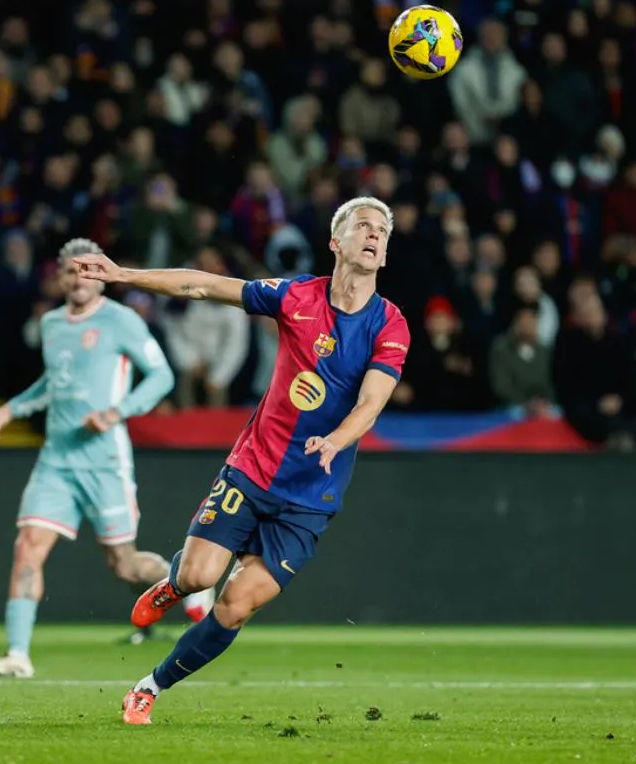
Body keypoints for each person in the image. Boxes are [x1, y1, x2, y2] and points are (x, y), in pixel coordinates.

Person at [71, 196, 410, 724]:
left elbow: (371, 402)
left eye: (382, 232)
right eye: (362, 226)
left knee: (234, 605)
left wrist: (337, 441)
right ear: (335, 241)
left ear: (384, 255)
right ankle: (174, 584)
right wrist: (124, 274)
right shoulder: (296, 295)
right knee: (199, 578)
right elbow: (203, 284)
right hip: (254, 468)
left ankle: (149, 687)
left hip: (311, 495)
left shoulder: (390, 325)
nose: (373, 235)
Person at [0, 238, 214, 678]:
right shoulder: (51, 324)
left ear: (101, 276)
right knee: (27, 548)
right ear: (60, 276)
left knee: (124, 565)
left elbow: (162, 375)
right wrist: (9, 410)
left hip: (105, 461)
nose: (78, 279)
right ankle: (17, 653)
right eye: (71, 271)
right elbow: (52, 382)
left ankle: (188, 582)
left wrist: (116, 412)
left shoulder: (120, 320)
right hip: (56, 459)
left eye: (88, 270)